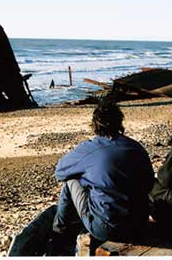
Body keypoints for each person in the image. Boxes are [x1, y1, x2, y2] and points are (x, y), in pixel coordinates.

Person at [51, 100, 154, 254]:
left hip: (106, 229)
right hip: (140, 223)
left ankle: (58, 234)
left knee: (71, 181)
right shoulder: (135, 147)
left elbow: (60, 172)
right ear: (119, 122)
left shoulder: (90, 148)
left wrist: (85, 176)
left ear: (95, 124)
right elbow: (149, 182)